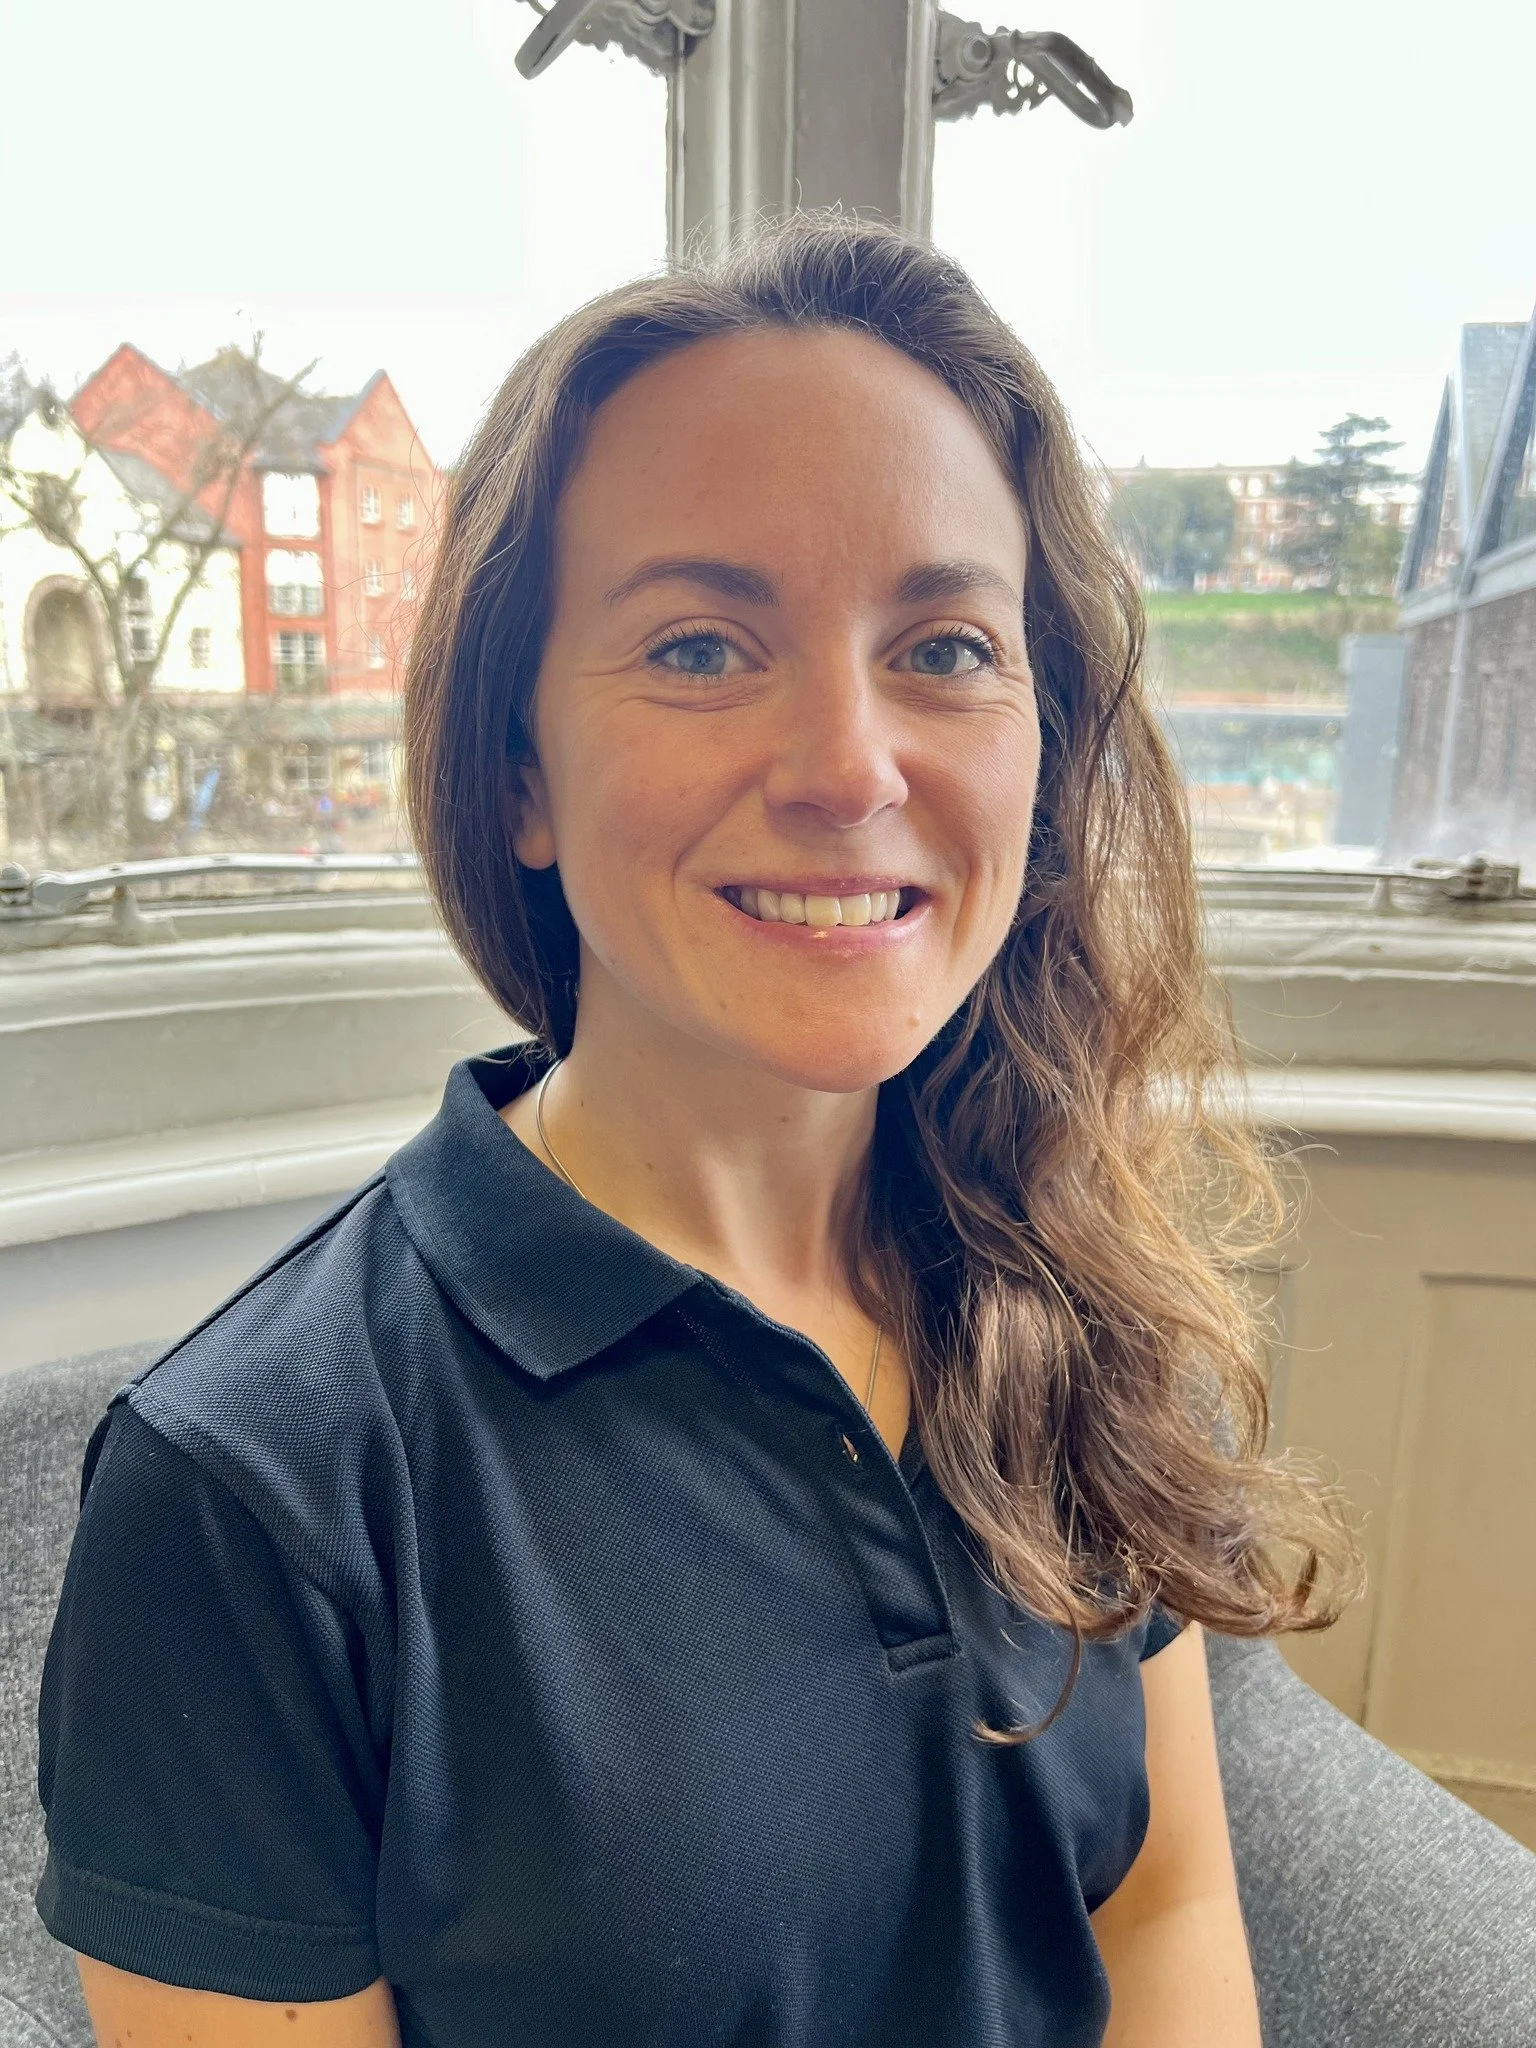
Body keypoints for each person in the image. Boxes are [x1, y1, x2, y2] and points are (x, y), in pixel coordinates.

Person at [36, 215, 1358, 2048]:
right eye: (701, 646)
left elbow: (1163, 1905)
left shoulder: (1080, 1291)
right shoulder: (252, 1497)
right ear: (519, 774)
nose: (849, 767)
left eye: (946, 644)